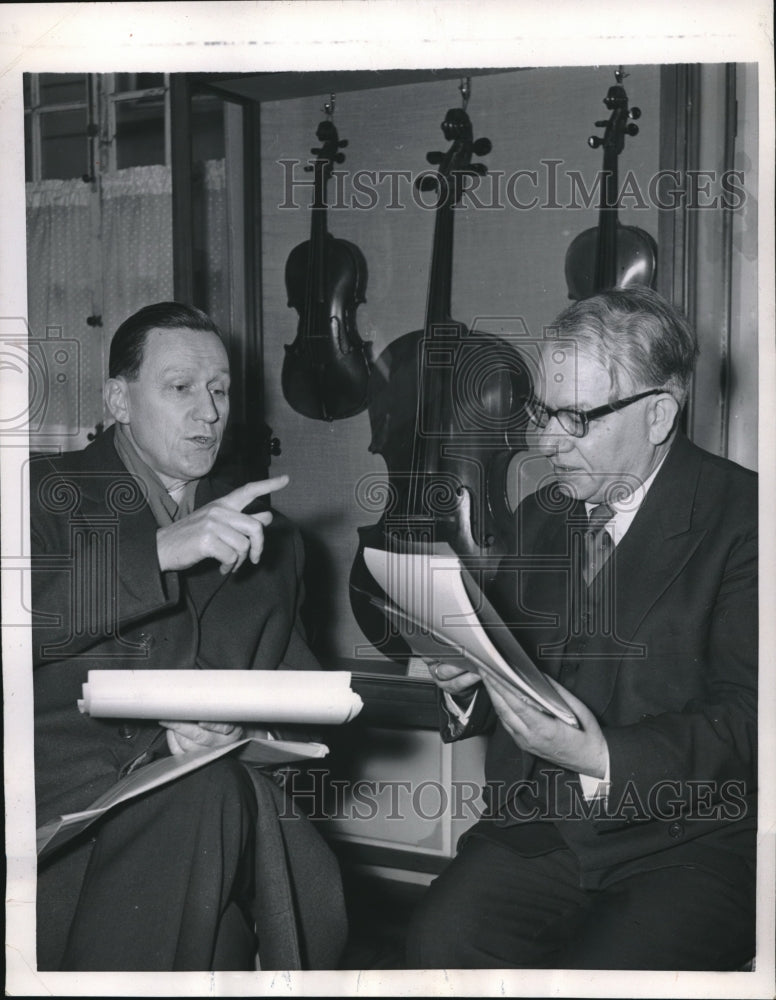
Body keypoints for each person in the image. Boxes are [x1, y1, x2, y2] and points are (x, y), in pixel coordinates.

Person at [407, 286, 757, 971]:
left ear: (659, 415)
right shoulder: (542, 517)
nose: (545, 442)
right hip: (540, 831)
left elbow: (752, 720)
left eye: (576, 417)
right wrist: (464, 680)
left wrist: (602, 758)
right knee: (437, 948)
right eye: (543, 411)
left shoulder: (747, 519)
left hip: (690, 846)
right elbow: (518, 675)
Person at [32, 302, 347, 971]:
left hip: (213, 836)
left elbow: (302, 707)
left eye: (220, 389)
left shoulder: (274, 538)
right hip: (59, 835)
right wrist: (157, 553)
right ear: (118, 399)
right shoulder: (37, 495)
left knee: (208, 813)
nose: (208, 412)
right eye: (181, 388)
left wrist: (242, 733)